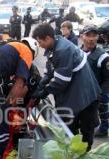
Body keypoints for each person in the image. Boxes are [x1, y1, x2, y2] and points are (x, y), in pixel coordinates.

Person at [32, 23, 101, 151]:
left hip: (85, 93)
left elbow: (61, 81)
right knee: (69, 124)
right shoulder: (55, 45)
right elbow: (49, 71)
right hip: (75, 91)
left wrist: (44, 92)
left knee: (86, 128)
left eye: (40, 41)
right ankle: (72, 149)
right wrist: (38, 89)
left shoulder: (62, 50)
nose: (39, 45)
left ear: (48, 38)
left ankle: (84, 155)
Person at [80, 24, 109, 137]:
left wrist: (100, 93)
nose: (91, 38)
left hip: (98, 92)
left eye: (94, 35)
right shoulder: (77, 52)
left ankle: (104, 128)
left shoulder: (102, 56)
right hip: (83, 93)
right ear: (82, 36)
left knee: (102, 107)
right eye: (88, 35)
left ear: (98, 37)